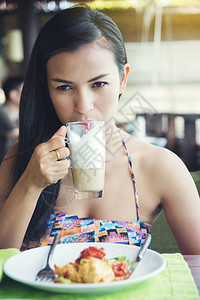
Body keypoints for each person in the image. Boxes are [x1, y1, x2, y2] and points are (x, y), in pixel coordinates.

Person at [0, 5, 199, 254]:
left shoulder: (161, 167)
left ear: (123, 79)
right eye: (64, 87)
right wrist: (30, 184)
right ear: (46, 87)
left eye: (99, 84)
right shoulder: (23, 159)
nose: (83, 106)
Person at [0, 76, 23, 164]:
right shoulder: (2, 113)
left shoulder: (18, 117)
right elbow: (16, 133)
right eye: (24, 92)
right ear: (14, 95)